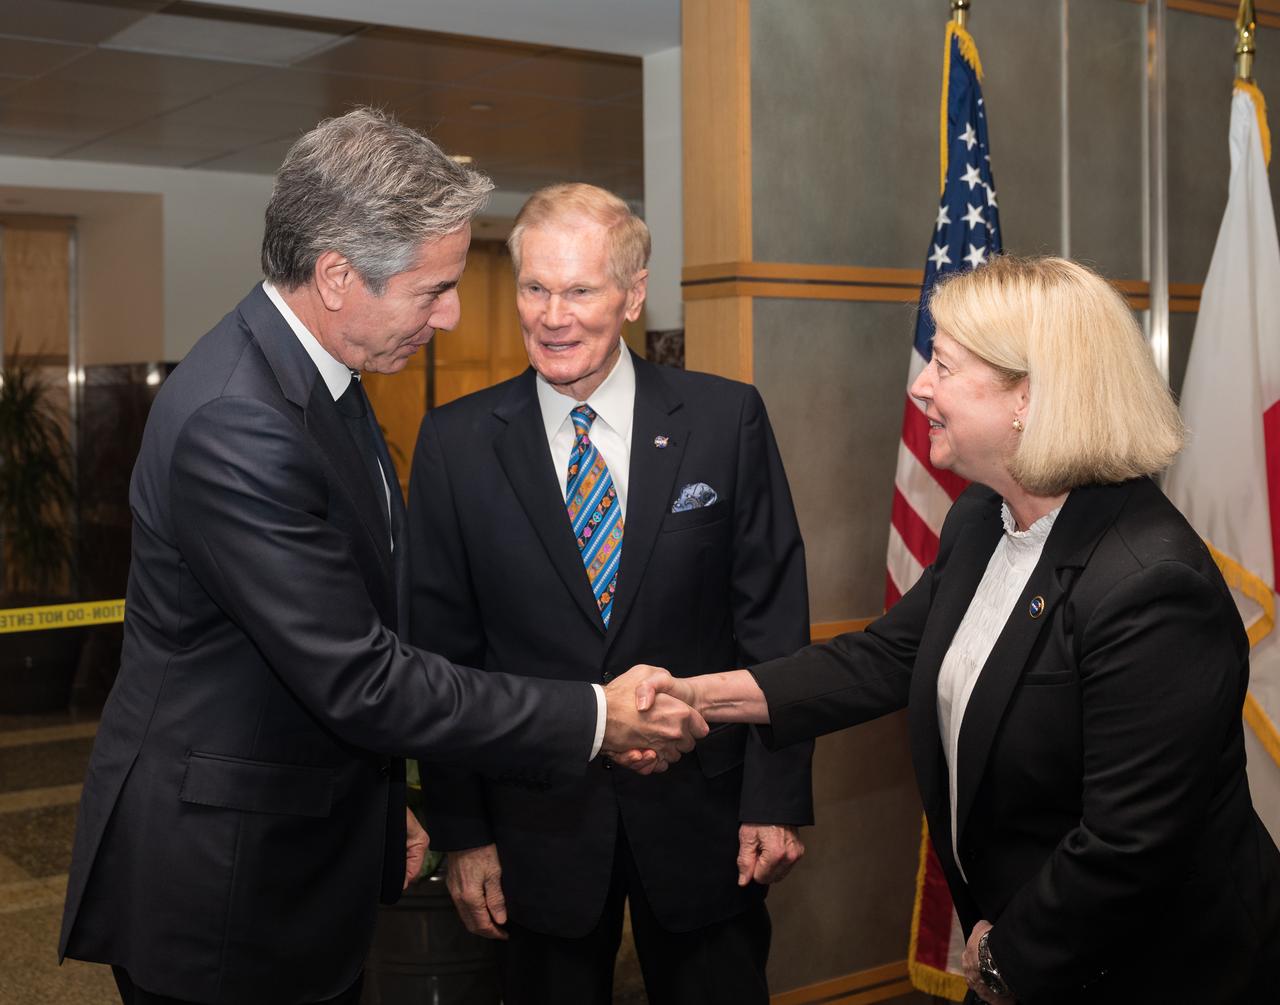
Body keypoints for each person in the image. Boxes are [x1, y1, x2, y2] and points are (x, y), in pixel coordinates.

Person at [58, 110, 706, 1005]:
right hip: (223, 886)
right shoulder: (239, 420)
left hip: (299, 842)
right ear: (335, 276)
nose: (448, 315)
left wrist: (376, 801)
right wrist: (594, 714)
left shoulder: (327, 380)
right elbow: (359, 675)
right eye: (432, 288)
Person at [629, 255, 1280, 1004]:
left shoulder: (1150, 586)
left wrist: (1005, 962)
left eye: (942, 364)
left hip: (1156, 965)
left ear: (1028, 398)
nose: (920, 387)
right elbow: (884, 656)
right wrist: (695, 695)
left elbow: (1129, 844)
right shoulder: (982, 518)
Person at [407, 182, 813, 1005]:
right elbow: (441, 656)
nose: (552, 315)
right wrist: (465, 834)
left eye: (580, 289)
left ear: (633, 295)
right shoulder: (455, 444)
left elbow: (771, 624)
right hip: (534, 828)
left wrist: (774, 798)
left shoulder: (724, 419)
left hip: (705, 817)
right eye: (534, 287)